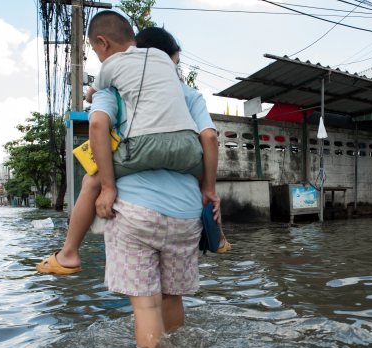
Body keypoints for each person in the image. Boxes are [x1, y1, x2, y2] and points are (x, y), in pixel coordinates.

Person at [36, 25, 229, 275]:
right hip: (185, 177)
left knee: (91, 180)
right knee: (208, 190)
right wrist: (209, 187)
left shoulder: (116, 83)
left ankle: (69, 252)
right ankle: (220, 238)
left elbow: (96, 120)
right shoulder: (188, 93)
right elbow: (210, 137)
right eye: (175, 62)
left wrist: (108, 186)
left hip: (137, 161)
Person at [86, 10, 202, 178]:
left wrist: (107, 184)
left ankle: (106, 190)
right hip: (188, 144)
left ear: (102, 43)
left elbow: (91, 96)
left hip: (144, 145)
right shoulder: (161, 57)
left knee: (95, 176)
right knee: (199, 170)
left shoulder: (110, 65)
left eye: (95, 51)